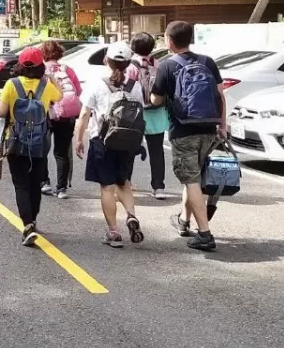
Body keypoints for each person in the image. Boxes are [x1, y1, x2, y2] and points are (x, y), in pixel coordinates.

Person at [150, 21, 225, 252]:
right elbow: (220, 96)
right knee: (193, 177)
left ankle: (205, 234)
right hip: (209, 129)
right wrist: (222, 126)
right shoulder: (207, 62)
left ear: (169, 41)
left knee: (191, 180)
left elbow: (155, 100)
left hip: (183, 131)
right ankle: (184, 220)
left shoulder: (167, 65)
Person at [74, 42, 145, 248]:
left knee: (107, 187)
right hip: (128, 141)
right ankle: (131, 215)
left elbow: (84, 114)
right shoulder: (135, 86)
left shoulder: (97, 84)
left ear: (106, 60)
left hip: (102, 141)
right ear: (128, 63)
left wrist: (79, 139)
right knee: (124, 182)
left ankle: (113, 233)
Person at [0, 47, 64, 246]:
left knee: (21, 184)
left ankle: (27, 225)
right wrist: (51, 77)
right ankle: (33, 220)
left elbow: (1, 113)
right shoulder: (45, 85)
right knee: (35, 183)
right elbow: (60, 96)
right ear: (40, 66)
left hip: (15, 141)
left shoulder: (12, 84)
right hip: (40, 143)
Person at [127, 32, 171, 200]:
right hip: (157, 114)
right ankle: (159, 187)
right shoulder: (158, 65)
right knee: (157, 151)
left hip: (135, 115)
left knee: (128, 151)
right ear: (152, 47)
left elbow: (127, 92)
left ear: (133, 47)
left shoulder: (130, 67)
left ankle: (126, 183)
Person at [41, 40, 82, 199]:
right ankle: (62, 188)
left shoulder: (42, 70)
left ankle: (44, 182)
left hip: (46, 113)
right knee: (62, 152)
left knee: (42, 150)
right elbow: (78, 91)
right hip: (66, 115)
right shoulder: (67, 69)